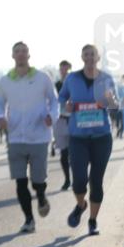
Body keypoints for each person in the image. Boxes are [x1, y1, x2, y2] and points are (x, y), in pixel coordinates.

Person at [0, 42, 59, 233]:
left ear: (29, 55)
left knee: (38, 180)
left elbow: (54, 100)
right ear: (12, 55)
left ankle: (41, 195)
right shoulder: (5, 80)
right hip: (15, 137)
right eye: (17, 52)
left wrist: (52, 116)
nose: (21, 55)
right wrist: (1, 117)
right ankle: (29, 219)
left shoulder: (42, 78)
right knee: (20, 181)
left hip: (39, 136)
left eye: (24, 51)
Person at [58, 45, 118, 236]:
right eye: (86, 54)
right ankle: (81, 205)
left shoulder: (107, 78)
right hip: (78, 138)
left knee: (96, 181)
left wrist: (111, 101)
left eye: (93, 54)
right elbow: (61, 100)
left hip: (102, 137)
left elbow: (115, 105)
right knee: (79, 182)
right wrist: (66, 106)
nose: (90, 57)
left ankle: (92, 221)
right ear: (82, 57)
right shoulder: (72, 78)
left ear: (98, 57)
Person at [54, 60, 73, 190]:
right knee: (63, 153)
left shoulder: (76, 84)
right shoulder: (55, 85)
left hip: (74, 120)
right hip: (60, 120)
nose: (64, 72)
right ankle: (67, 179)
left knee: (75, 152)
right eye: (62, 70)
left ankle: (79, 177)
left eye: (67, 70)